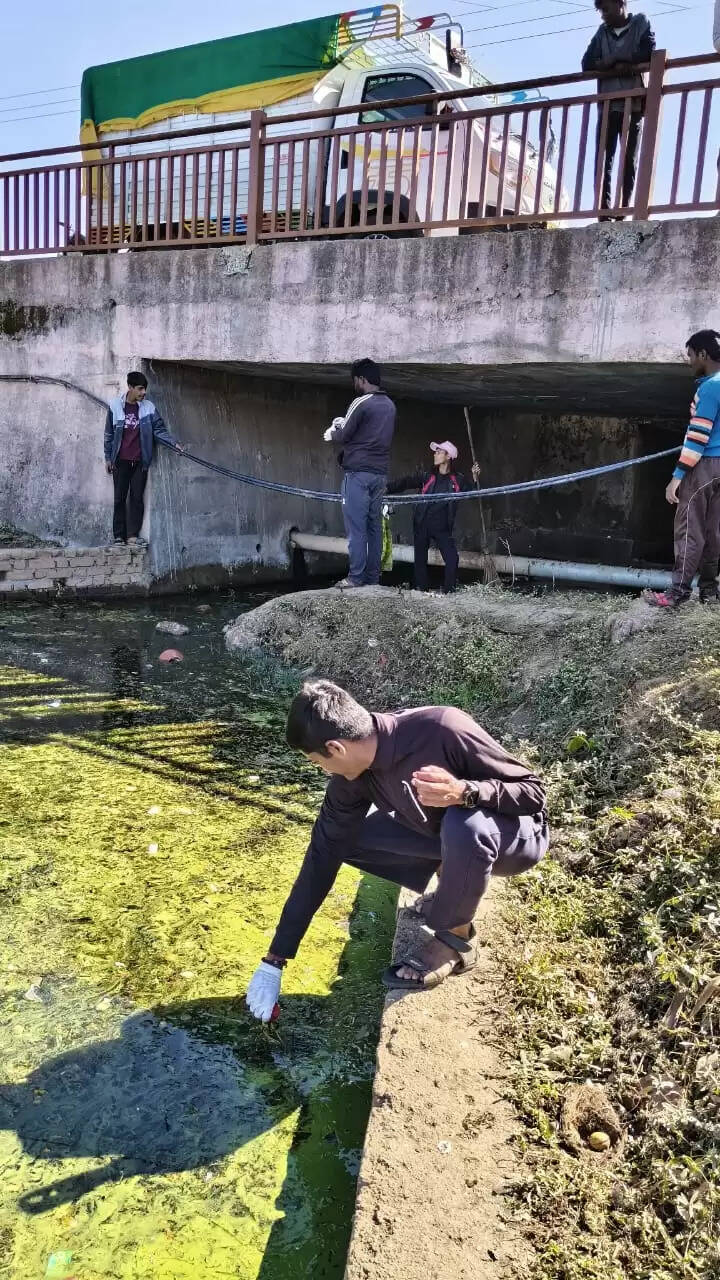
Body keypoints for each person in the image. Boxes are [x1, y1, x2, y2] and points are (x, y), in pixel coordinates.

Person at [245, 680, 548, 1019]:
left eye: (318, 762)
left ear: (336, 748)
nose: (324, 770)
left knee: (463, 823)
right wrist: (275, 959)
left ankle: (455, 939)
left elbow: (534, 793)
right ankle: (453, 884)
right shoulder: (353, 780)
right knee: (342, 840)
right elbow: (321, 855)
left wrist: (466, 792)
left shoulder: (441, 728)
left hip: (517, 837)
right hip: (450, 835)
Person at [645, 330, 720, 608]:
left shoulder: (710, 388)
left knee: (689, 528)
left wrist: (677, 477)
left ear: (703, 354)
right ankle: (710, 591)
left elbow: (698, 437)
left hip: (706, 466)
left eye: (690, 356)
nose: (689, 362)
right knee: (714, 531)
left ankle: (677, 592)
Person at [324, 359, 396, 588]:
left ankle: (355, 578)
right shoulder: (390, 406)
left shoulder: (361, 402)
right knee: (374, 528)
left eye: (355, 380)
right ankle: (373, 579)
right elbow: (367, 433)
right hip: (379, 475)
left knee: (356, 529)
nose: (354, 384)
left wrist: (332, 433)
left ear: (362, 379)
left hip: (357, 475)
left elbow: (345, 434)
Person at [581, 0, 655, 217]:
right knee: (603, 159)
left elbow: (648, 52)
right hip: (608, 105)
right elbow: (586, 63)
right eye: (601, 11)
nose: (603, 15)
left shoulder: (640, 22)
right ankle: (604, 211)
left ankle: (623, 209)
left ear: (620, 3)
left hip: (633, 104)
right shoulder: (602, 32)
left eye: (606, 9)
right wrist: (614, 62)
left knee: (629, 159)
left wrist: (614, 60)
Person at [387, 440, 481, 594]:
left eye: (438, 452)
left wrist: (475, 478)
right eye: (435, 452)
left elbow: (475, 494)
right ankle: (421, 590)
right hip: (422, 522)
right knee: (420, 560)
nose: (435, 454)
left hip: (442, 528)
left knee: (452, 558)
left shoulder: (458, 480)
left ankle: (449, 591)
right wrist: (386, 488)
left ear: (448, 456)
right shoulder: (428, 476)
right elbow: (407, 482)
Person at [104, 371, 183, 547]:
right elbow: (109, 434)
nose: (143, 392)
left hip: (140, 461)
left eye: (144, 389)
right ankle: (119, 536)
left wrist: (173, 443)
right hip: (120, 461)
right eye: (140, 389)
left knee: (137, 498)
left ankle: (132, 535)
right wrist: (108, 457)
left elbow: (159, 430)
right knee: (119, 499)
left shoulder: (148, 408)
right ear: (130, 387)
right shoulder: (115, 405)